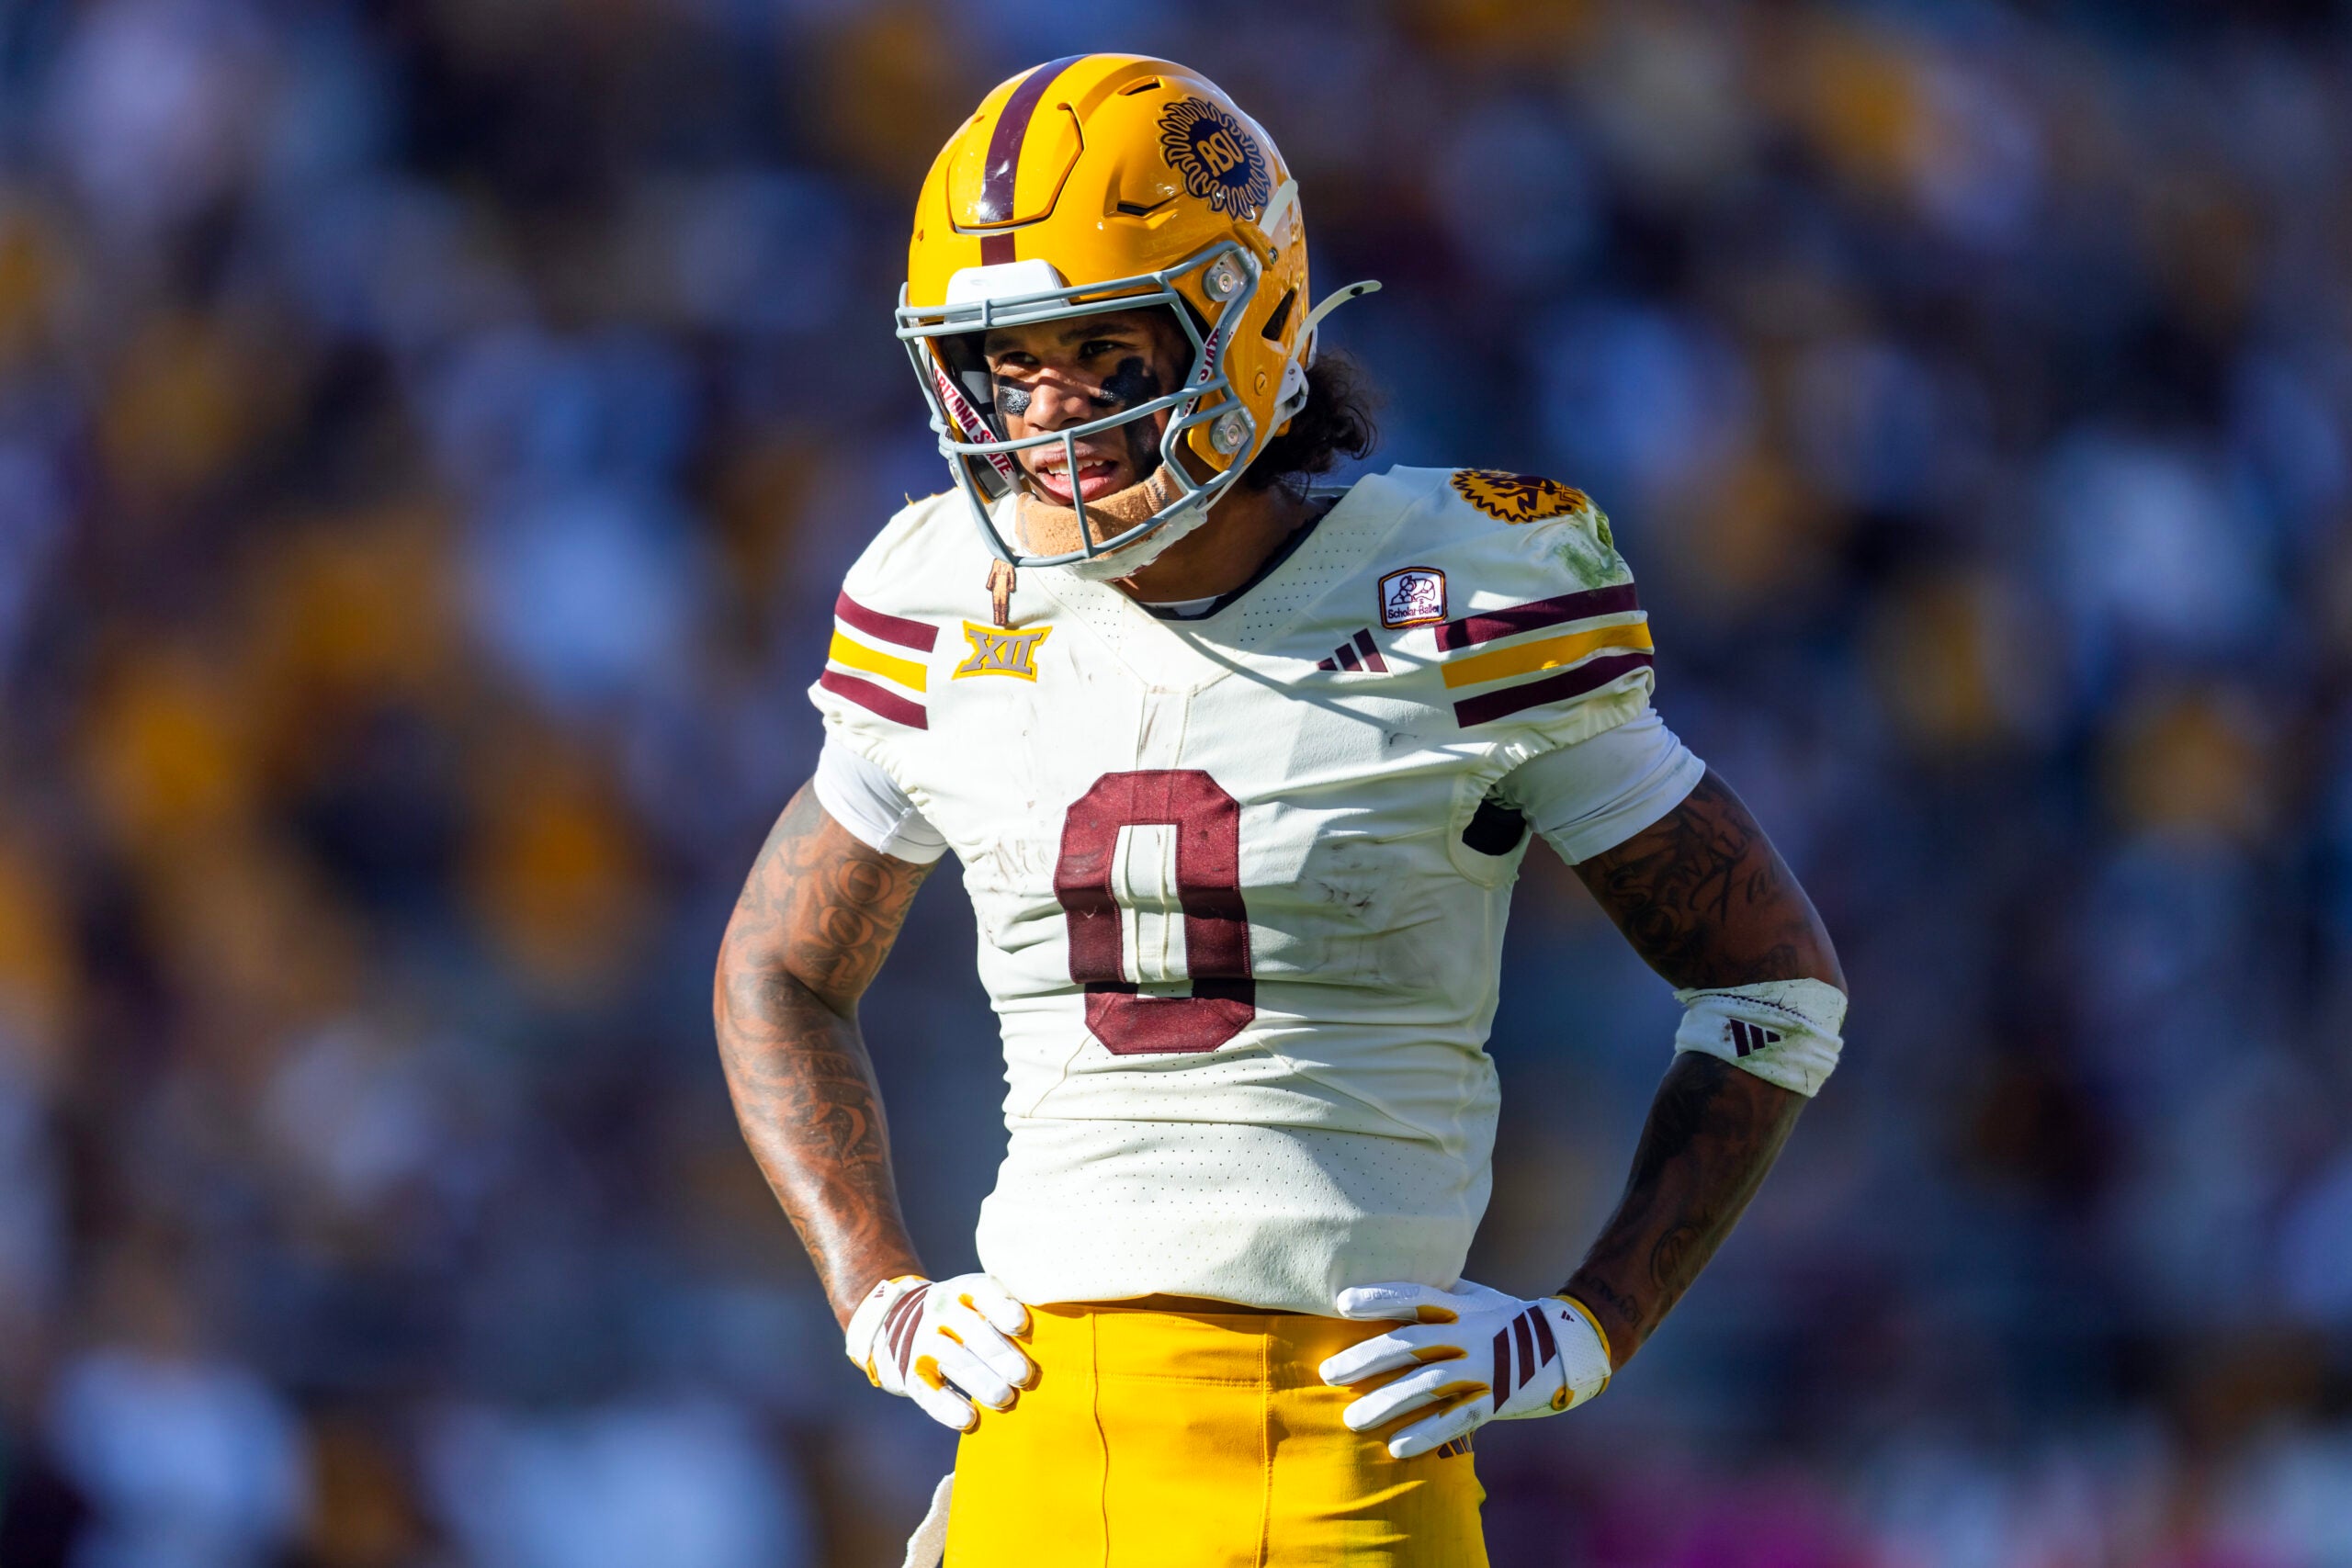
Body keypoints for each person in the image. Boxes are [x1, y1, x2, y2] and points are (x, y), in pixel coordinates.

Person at [714, 52, 1847, 1568]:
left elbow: (1772, 986)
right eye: (1005, 363)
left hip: (1337, 1454)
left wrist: (1590, 1324)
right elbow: (776, 969)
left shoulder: (1465, 594)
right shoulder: (939, 595)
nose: (1045, 415)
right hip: (1032, 1441)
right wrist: (877, 1290)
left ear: (1243, 322)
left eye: (1101, 352)